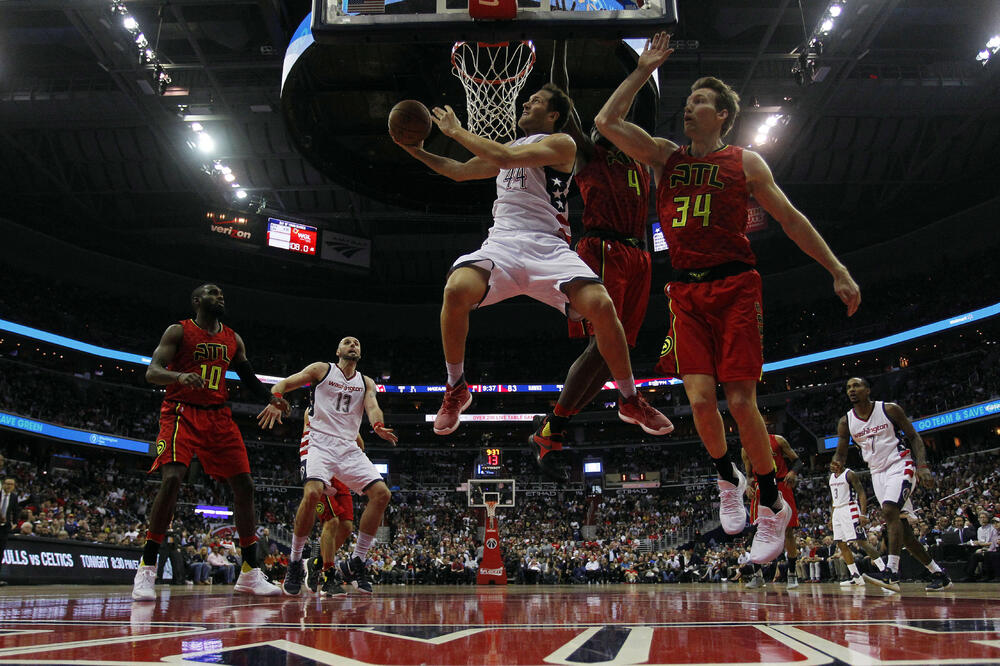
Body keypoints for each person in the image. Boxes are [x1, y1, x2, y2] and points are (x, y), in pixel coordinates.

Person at [594, 32, 861, 564]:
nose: (688, 109)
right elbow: (605, 123)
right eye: (688, 101)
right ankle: (726, 477)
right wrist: (643, 70)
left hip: (736, 285)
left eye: (699, 103)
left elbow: (790, 219)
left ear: (721, 116)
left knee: (740, 403)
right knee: (697, 402)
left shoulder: (746, 162)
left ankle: (770, 503)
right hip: (686, 290)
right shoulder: (665, 157)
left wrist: (837, 268)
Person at [394, 83, 672, 441]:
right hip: (504, 243)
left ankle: (630, 399)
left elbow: (506, 160)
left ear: (554, 115)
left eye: (536, 101)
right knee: (456, 290)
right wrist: (414, 150)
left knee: (602, 307)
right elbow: (458, 170)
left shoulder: (562, 144)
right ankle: (456, 386)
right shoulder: (506, 149)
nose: (526, 102)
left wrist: (455, 130)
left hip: (549, 247)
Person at [528, 42, 670, 481]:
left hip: (638, 255)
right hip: (603, 249)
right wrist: (562, 40)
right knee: (604, 345)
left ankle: (553, 429)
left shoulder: (643, 159)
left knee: (614, 354)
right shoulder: (590, 152)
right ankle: (559, 421)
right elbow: (563, 95)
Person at [132, 284, 286, 601]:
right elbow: (152, 372)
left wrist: (273, 399)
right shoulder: (179, 331)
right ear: (197, 300)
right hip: (180, 412)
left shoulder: (233, 338)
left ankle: (249, 572)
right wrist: (178, 377)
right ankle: (147, 567)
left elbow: (249, 378)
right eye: (213, 293)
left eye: (222, 294)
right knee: (173, 478)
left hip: (218, 416)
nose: (220, 297)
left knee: (245, 485)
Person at [258, 335, 398, 596]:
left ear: (361, 352)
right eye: (347, 342)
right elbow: (286, 383)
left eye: (357, 342)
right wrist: (275, 399)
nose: (353, 344)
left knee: (382, 494)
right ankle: (296, 562)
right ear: (338, 350)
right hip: (318, 442)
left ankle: (357, 560)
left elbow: (373, 407)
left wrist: (377, 425)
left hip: (347, 447)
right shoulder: (322, 370)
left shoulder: (366, 382)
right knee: (312, 493)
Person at [834, 376, 952, 591]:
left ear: (868, 390)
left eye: (856, 385)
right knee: (905, 534)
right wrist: (836, 463)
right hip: (877, 473)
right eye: (848, 387)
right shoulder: (846, 421)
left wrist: (923, 465)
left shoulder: (889, 409)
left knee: (889, 510)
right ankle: (939, 574)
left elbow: (914, 437)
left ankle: (891, 572)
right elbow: (840, 453)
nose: (852, 390)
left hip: (900, 464)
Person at [741, 433, 802, 588]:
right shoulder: (745, 448)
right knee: (757, 531)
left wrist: (793, 472)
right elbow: (748, 475)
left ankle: (792, 574)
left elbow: (797, 461)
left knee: (788, 531)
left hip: (782, 485)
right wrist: (748, 486)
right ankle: (758, 576)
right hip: (759, 488)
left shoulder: (778, 440)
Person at [828, 458, 888, 586]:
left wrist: (862, 514)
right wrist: (832, 516)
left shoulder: (850, 474)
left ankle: (885, 571)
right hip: (837, 511)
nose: (833, 465)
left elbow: (861, 493)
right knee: (841, 543)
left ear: (842, 463)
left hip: (850, 509)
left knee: (861, 541)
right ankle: (856, 576)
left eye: (836, 463)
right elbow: (834, 499)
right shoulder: (831, 477)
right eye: (832, 463)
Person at [0, 477, 21, 586]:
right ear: (3, 484)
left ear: (13, 486)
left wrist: (15, 523)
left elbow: (15, 510)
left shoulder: (13, 497)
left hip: (4, 528)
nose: (9, 486)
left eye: (11, 484)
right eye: (7, 483)